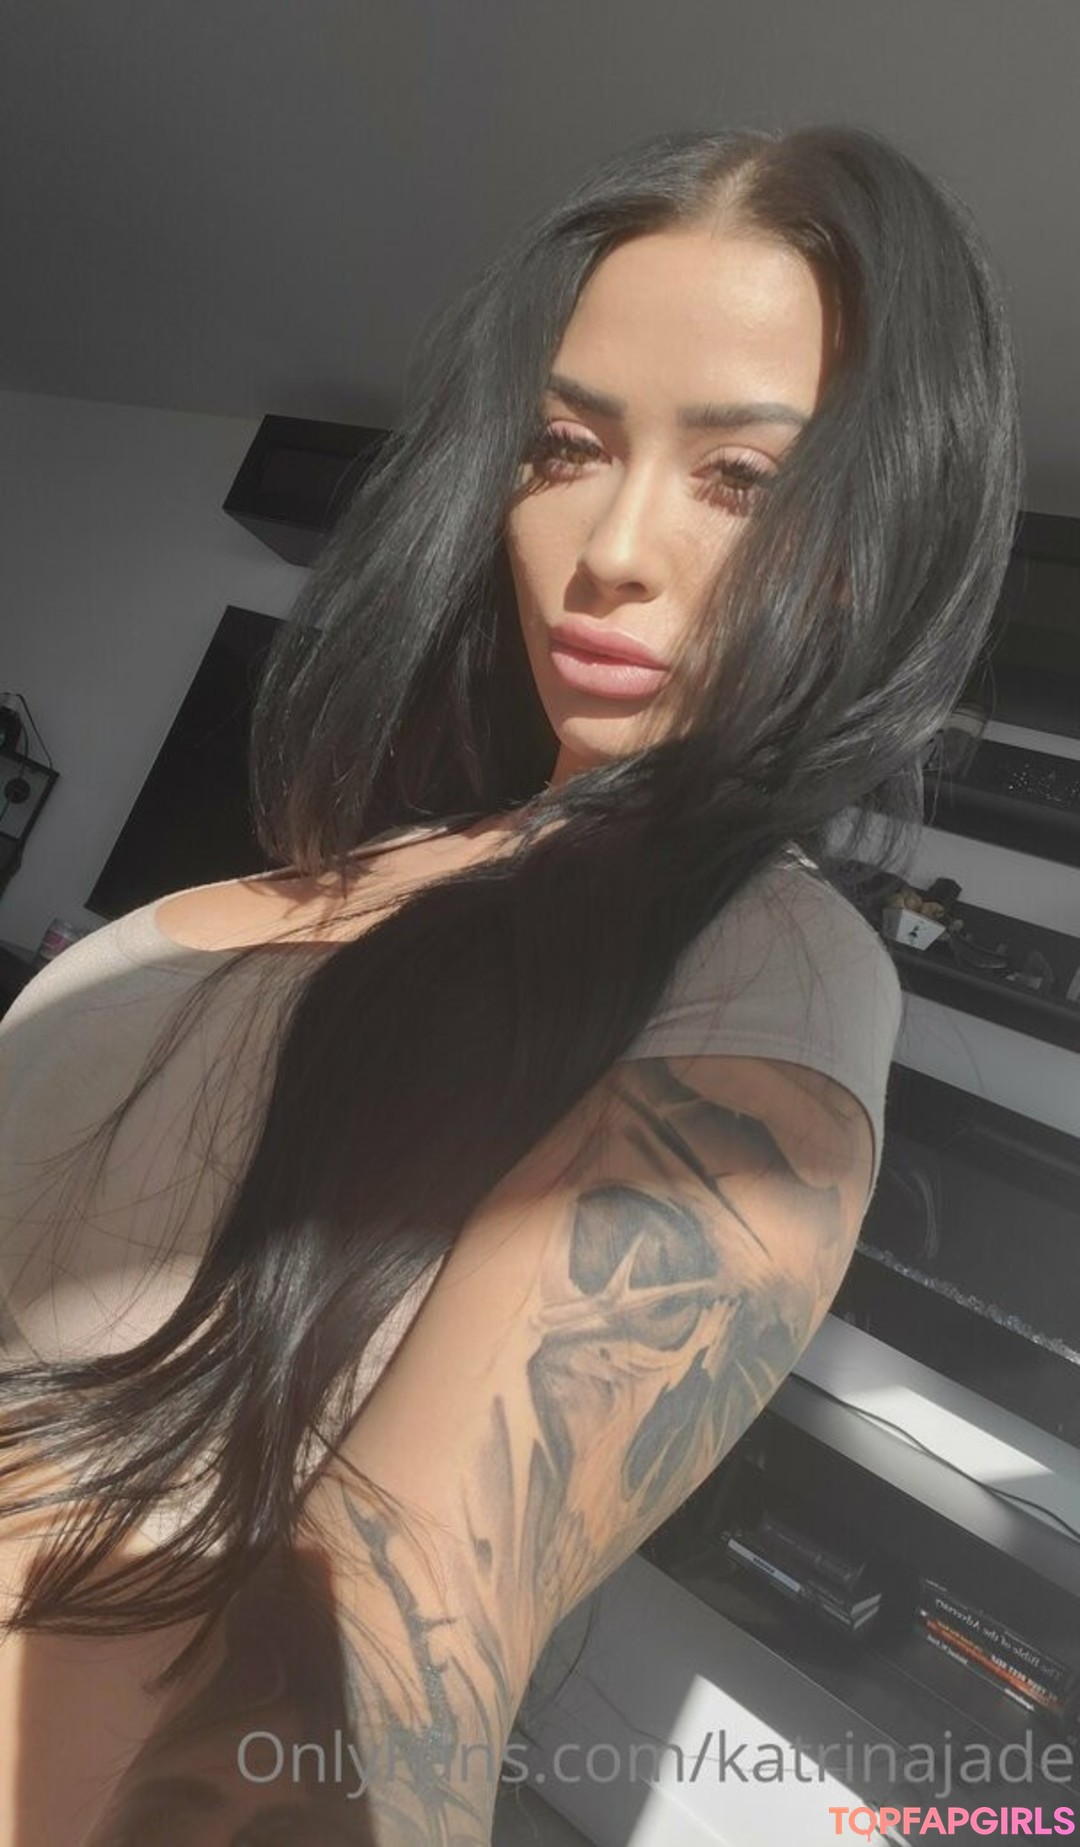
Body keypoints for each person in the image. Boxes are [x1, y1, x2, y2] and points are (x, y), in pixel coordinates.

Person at [0, 121, 1019, 1846]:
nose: (609, 543)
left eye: (740, 478)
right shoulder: (386, 862)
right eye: (568, 445)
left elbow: (396, 1639)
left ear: (879, 543)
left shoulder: (767, 961)